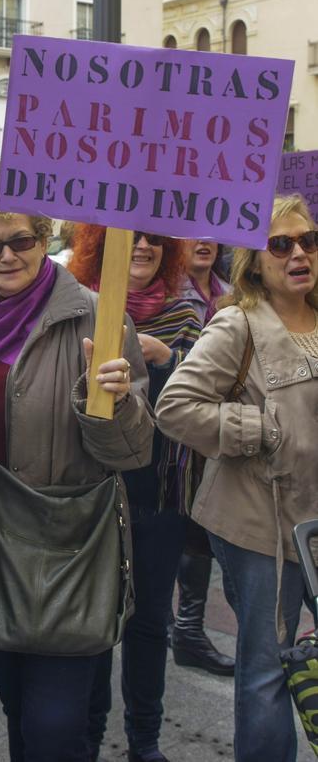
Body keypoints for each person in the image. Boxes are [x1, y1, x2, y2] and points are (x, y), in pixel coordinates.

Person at [0, 181, 154, 762]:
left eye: (22, 240)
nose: (8, 256)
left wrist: (112, 402)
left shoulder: (97, 316)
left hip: (71, 546)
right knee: (19, 711)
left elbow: (134, 454)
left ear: (45, 240)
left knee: (52, 728)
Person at [156, 194, 318, 762]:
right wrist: (256, 427)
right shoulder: (237, 324)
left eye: (307, 241)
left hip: (315, 522)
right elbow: (174, 407)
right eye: (281, 244)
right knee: (269, 668)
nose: (299, 253)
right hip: (259, 528)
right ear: (253, 260)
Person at [69, 226, 201, 762]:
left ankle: (144, 741)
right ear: (102, 242)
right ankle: (89, 738)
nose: (142, 246)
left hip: (158, 493)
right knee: (96, 624)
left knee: (149, 623)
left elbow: (199, 403)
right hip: (96, 490)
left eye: (155, 239)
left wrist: (166, 359)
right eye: (132, 237)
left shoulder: (187, 315)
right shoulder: (78, 309)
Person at [170, 241, 234, 676]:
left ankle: (188, 628)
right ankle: (172, 625)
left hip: (216, 438)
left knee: (199, 532)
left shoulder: (232, 292)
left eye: (213, 233)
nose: (204, 241)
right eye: (194, 233)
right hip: (175, 435)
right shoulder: (169, 293)